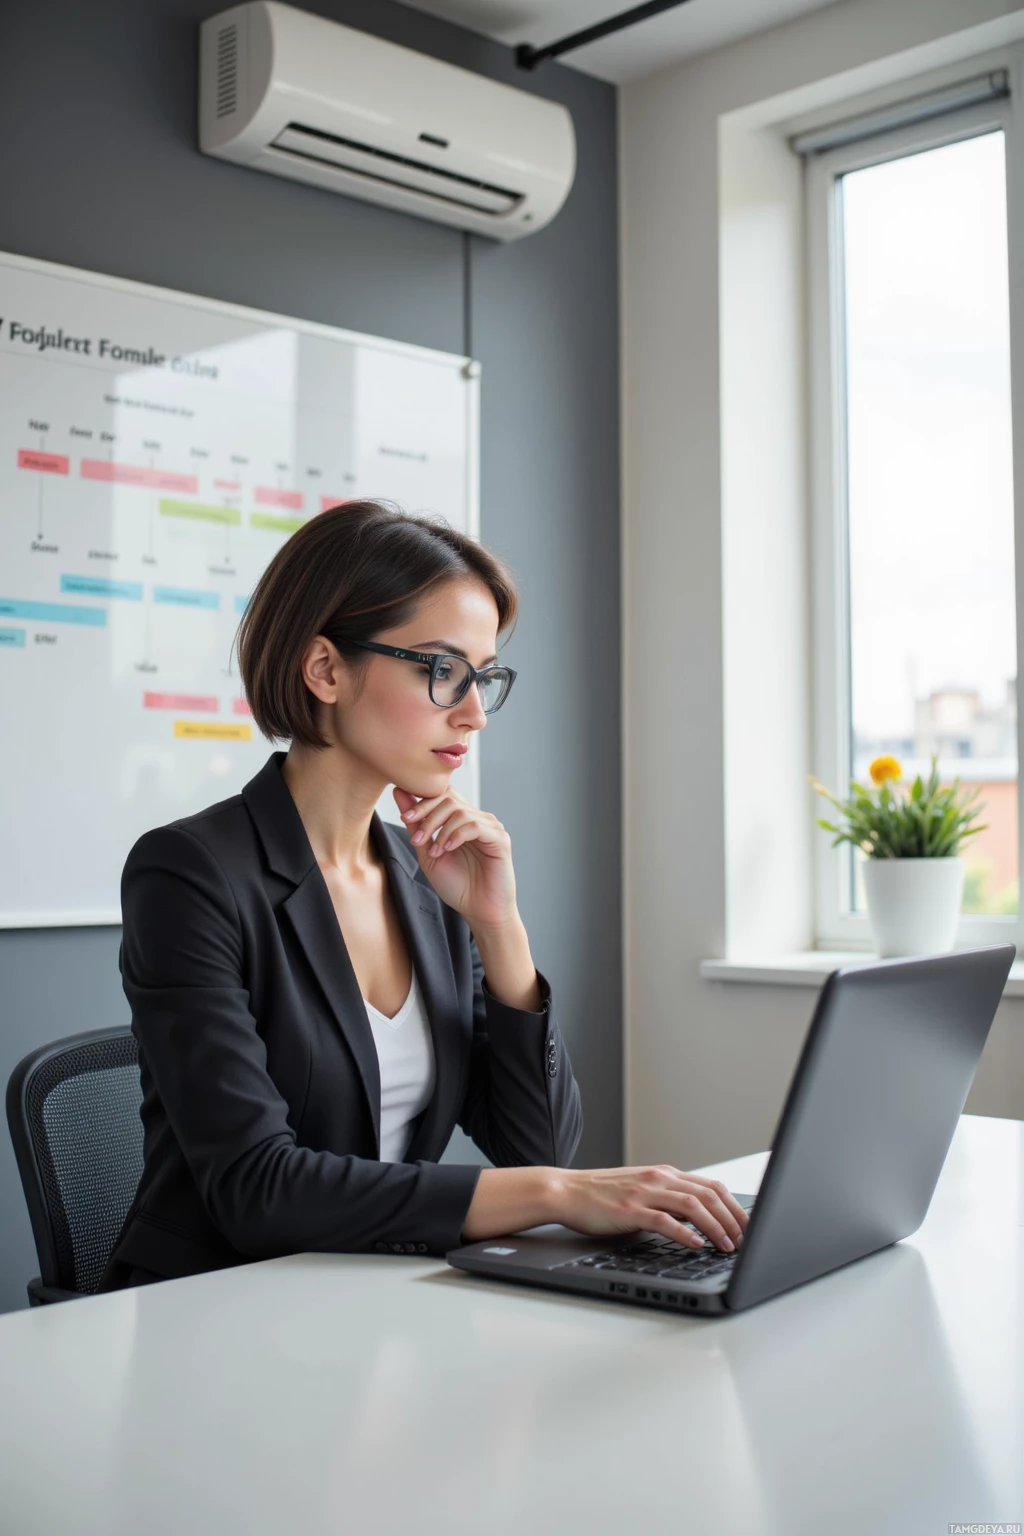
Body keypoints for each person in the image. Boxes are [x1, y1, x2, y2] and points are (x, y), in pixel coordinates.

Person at [99, 501, 747, 1290]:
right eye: (443, 671)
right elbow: (255, 1189)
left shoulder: (428, 878)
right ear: (326, 669)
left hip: (376, 1299)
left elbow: (536, 1143)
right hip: (220, 1308)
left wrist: (497, 926)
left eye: (484, 677)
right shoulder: (189, 872)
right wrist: (559, 1197)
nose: (474, 713)